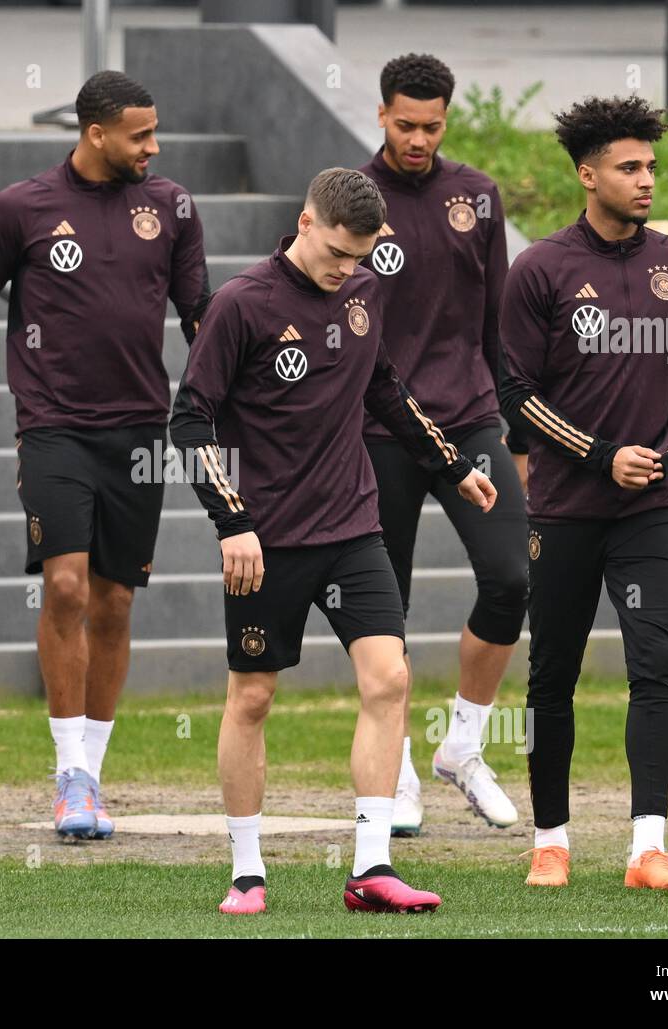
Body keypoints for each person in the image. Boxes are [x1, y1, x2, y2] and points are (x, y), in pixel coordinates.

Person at [170, 168, 496, 914]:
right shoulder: (241, 305)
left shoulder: (362, 291)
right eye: (337, 254)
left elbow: (385, 386)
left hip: (353, 526)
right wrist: (233, 521)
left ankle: (370, 867)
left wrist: (451, 468)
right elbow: (190, 423)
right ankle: (248, 870)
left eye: (360, 257)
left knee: (389, 679)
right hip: (268, 539)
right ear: (305, 222)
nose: (345, 270)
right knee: (252, 696)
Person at [0, 71, 209, 840]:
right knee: (64, 586)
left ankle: (94, 773)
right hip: (54, 426)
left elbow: (201, 316)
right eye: (140, 135)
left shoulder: (171, 208)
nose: (153, 148)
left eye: (155, 133)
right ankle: (68, 773)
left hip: (139, 432)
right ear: (95, 133)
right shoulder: (20, 209)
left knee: (115, 601)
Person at [498, 96, 668, 890]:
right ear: (588, 176)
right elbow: (515, 391)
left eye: (651, 165)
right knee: (552, 676)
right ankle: (550, 841)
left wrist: (662, 451)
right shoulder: (543, 269)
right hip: (564, 509)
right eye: (629, 167)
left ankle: (647, 847)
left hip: (652, 510)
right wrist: (598, 454)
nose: (646, 178)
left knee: (655, 668)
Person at [359, 53, 526, 835]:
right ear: (382, 115)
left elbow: (501, 327)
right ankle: (393, 772)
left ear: (446, 120)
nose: (418, 139)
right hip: (378, 429)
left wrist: (515, 435)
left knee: (511, 577)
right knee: (382, 608)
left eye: (431, 126)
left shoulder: (477, 197)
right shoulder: (350, 199)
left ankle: (461, 747)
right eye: (405, 124)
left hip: (470, 420)